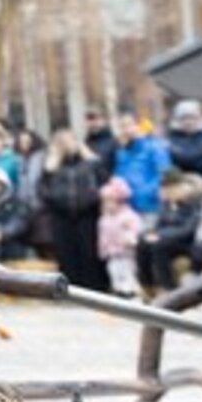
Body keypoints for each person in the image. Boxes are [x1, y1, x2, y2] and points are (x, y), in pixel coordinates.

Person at [37, 126, 106, 292]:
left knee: (89, 252)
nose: (66, 145)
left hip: (88, 213)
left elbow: (104, 181)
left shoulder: (90, 162)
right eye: (61, 142)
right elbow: (42, 190)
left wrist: (91, 159)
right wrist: (49, 169)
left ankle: (94, 288)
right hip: (61, 215)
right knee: (66, 253)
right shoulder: (51, 165)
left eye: (69, 140)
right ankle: (69, 290)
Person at [111, 108, 169, 218]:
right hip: (127, 209)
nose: (126, 130)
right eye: (122, 126)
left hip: (150, 207)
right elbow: (118, 177)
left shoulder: (155, 146)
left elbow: (164, 175)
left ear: (138, 125)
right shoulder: (122, 152)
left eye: (129, 125)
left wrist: (144, 194)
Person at [97, 176, 143, 298]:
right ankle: (119, 292)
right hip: (112, 253)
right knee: (114, 272)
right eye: (104, 202)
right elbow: (103, 236)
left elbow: (135, 230)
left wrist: (131, 238)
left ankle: (132, 295)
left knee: (128, 273)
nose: (106, 205)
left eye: (110, 202)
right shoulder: (104, 219)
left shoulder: (128, 216)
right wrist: (103, 250)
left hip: (126, 252)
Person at [163, 100, 202, 181]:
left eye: (192, 118)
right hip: (178, 180)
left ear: (200, 118)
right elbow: (166, 163)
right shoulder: (170, 138)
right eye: (183, 118)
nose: (188, 122)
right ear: (177, 120)